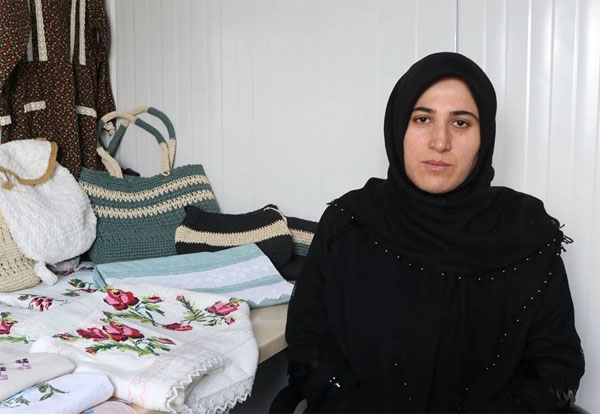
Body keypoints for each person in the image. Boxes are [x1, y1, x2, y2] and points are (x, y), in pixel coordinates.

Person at [284, 52, 585, 413]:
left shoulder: (525, 232)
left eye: (461, 123)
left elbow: (556, 368)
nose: (440, 142)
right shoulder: (349, 223)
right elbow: (308, 344)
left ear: (484, 136)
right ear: (399, 126)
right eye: (423, 119)